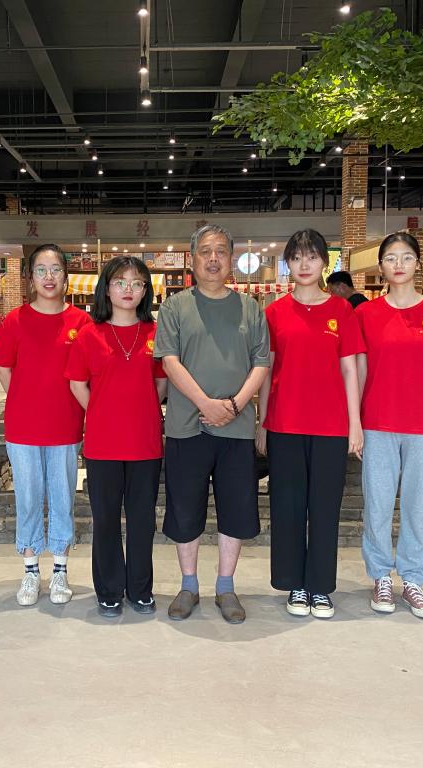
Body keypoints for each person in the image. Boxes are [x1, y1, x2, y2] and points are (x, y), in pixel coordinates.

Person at [154, 224, 270, 624]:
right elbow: (169, 362)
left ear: (232, 259)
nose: (214, 258)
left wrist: (234, 406)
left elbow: (261, 363)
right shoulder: (174, 307)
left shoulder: (250, 309)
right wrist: (206, 403)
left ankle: (225, 586)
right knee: (185, 509)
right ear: (192, 259)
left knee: (235, 509)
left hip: (236, 429)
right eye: (206, 251)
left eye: (221, 250)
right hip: (187, 426)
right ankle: (188, 585)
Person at [356, 232, 423, 620]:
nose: (398, 264)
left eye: (406, 257)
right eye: (391, 258)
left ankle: (414, 579)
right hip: (378, 424)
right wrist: (356, 424)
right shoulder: (366, 314)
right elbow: (360, 372)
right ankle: (380, 576)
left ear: (418, 263)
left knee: (419, 507)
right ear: (381, 266)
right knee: (378, 505)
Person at [255, 230, 364, 619]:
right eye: (297, 257)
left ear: (324, 263)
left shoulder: (342, 311)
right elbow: (266, 372)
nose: (304, 264)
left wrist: (355, 423)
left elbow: (350, 370)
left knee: (324, 508)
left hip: (331, 426)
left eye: (312, 257)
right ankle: (294, 584)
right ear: (288, 263)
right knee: (287, 506)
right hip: (285, 423)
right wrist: (262, 422)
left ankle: (319, 586)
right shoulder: (274, 313)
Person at [0, 245, 91, 607]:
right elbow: (4, 367)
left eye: (56, 269)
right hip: (23, 428)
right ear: (30, 278)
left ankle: (60, 569)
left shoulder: (81, 323)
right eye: (41, 270)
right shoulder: (15, 320)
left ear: (66, 276)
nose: (49, 277)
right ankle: (31, 570)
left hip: (65, 425)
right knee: (28, 498)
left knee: (63, 498)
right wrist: (25, 398)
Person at [66, 257, 167, 617]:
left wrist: (140, 410)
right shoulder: (89, 334)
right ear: (106, 289)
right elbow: (77, 383)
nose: (128, 289)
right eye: (120, 282)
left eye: (137, 283)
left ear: (145, 291)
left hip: (145, 441)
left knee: (142, 520)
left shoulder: (156, 333)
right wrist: (102, 411)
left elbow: (161, 383)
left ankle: (140, 588)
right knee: (106, 518)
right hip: (103, 443)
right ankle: (108, 589)